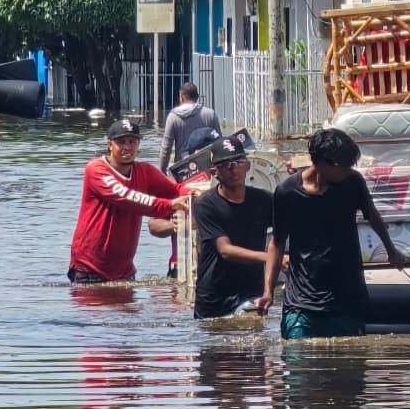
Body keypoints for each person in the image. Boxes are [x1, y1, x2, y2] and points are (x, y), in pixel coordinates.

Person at [256, 128, 405, 338]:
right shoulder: (287, 192)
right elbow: (277, 242)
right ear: (322, 163)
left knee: (347, 367)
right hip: (301, 301)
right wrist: (268, 292)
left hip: (346, 299)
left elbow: (372, 216)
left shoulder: (352, 183)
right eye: (343, 166)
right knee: (297, 361)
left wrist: (391, 249)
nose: (348, 170)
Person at [68, 118, 189, 283]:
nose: (127, 147)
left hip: (124, 271)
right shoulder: (96, 169)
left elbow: (177, 189)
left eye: (132, 142)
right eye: (121, 142)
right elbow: (127, 197)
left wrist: (195, 192)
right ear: (109, 144)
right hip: (89, 269)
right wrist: (169, 205)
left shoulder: (145, 171)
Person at [193, 139, 272, 319]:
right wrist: (272, 258)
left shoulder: (264, 200)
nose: (234, 169)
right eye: (226, 165)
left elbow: (287, 231)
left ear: (248, 166)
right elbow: (225, 250)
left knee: (254, 342)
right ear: (215, 172)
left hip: (252, 292)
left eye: (239, 162)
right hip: (214, 297)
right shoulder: (205, 204)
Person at [149, 124, 223, 276]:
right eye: (206, 152)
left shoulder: (234, 181)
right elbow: (153, 225)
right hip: (183, 266)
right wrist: (175, 225)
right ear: (192, 156)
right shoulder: (173, 186)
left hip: (223, 264)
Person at [158, 82, 221, 172]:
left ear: (181, 97)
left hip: (183, 170)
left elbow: (166, 148)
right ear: (197, 97)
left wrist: (162, 172)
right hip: (208, 167)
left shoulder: (173, 117)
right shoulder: (210, 114)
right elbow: (220, 143)